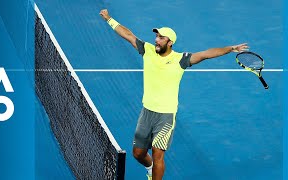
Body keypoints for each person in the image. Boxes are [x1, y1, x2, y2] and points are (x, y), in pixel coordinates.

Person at [99, 9, 248, 180]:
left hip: (166, 116)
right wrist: (109, 19)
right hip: (147, 112)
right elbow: (128, 35)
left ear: (170, 42)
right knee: (138, 153)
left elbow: (206, 54)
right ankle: (150, 169)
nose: (156, 40)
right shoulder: (147, 50)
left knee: (158, 154)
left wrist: (230, 48)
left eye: (161, 38)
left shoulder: (181, 59)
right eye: (157, 36)